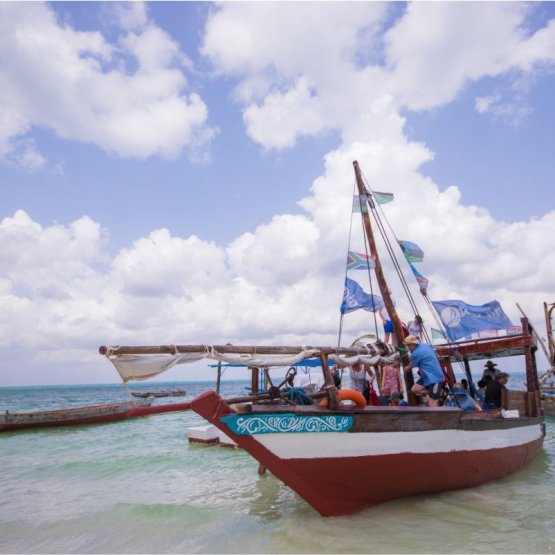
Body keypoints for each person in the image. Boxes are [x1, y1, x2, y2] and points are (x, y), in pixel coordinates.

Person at [404, 335, 446, 407]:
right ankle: (438, 392)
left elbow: (412, 365)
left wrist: (407, 368)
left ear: (414, 344)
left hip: (435, 378)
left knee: (432, 402)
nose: (407, 347)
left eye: (409, 345)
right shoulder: (425, 345)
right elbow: (435, 352)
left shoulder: (416, 353)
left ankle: (434, 415)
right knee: (414, 389)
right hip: (426, 376)